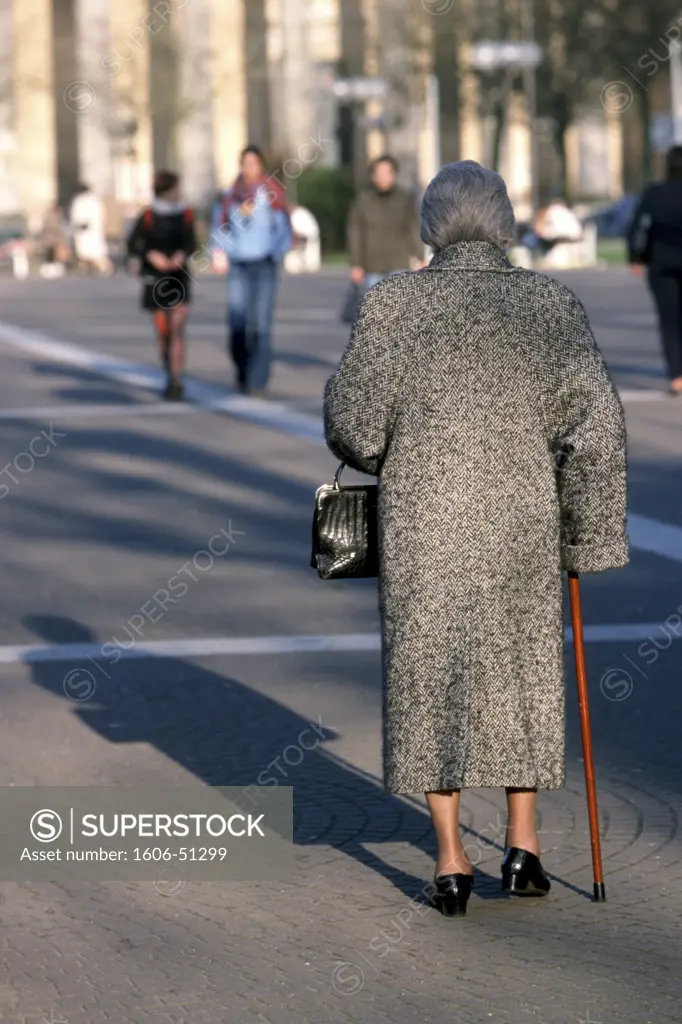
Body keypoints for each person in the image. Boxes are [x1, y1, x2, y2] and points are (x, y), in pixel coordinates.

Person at [324, 160, 628, 917]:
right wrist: (587, 533)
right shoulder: (550, 305)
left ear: (431, 226)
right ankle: (523, 849)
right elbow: (597, 428)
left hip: (425, 520)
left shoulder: (392, 306)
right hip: (521, 518)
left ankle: (453, 859)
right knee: (520, 673)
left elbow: (356, 428)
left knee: (429, 676)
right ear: (504, 222)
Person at [211, 145, 292, 396]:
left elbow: (284, 228)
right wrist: (218, 252)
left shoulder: (272, 194)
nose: (250, 168)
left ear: (261, 166)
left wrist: (277, 251)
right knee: (238, 321)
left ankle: (257, 380)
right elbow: (220, 226)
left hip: (264, 264)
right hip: (239, 265)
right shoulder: (230, 195)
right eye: (245, 163)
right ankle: (242, 368)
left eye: (254, 163)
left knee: (261, 323)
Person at [127, 170, 197, 401]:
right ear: (165, 191)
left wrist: (181, 255)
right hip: (155, 277)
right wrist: (151, 255)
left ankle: (176, 377)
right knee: (163, 331)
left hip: (178, 276)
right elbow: (133, 244)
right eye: (175, 189)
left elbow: (192, 242)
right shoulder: (148, 215)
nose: (179, 193)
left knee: (177, 327)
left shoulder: (186, 214)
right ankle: (168, 368)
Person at [627, 144, 682, 395]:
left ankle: (676, 376)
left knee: (668, 320)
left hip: (661, 263)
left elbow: (637, 226)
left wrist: (636, 257)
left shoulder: (654, 193)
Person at [347, 154, 424, 290]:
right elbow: (355, 233)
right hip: (372, 266)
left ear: (394, 174)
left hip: (398, 264)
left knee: (398, 308)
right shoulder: (364, 201)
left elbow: (412, 228)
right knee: (373, 308)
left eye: (386, 173)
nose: (382, 177)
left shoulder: (404, 199)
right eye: (378, 173)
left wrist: (420, 256)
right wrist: (356, 264)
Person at [69, 183, 112, 275]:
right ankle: (89, 266)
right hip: (89, 231)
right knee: (89, 252)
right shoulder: (95, 200)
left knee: (93, 252)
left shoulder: (82, 200)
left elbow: (77, 215)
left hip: (88, 230)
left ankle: (103, 267)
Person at [39, 202, 69, 278]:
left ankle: (55, 267)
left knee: (55, 253)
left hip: (54, 239)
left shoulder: (57, 216)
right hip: (51, 239)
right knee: (51, 253)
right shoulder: (52, 216)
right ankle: (51, 268)